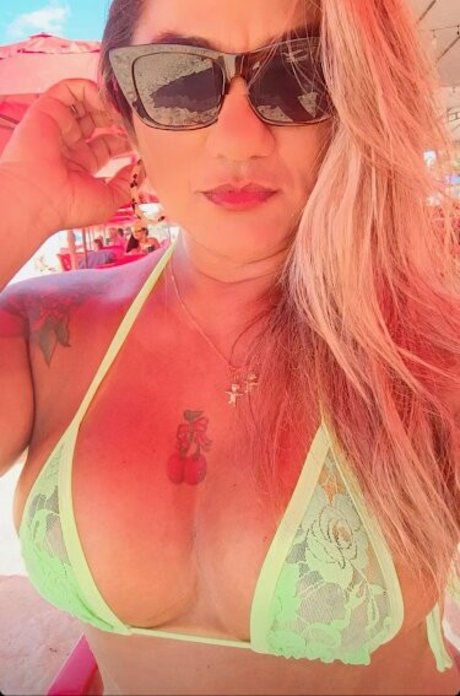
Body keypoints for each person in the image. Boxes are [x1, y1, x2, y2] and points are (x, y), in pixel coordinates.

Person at [0, 1, 459, 694]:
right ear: (124, 108)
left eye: (299, 74)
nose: (241, 141)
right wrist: (20, 202)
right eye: (177, 78)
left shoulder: (430, 352)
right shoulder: (45, 332)